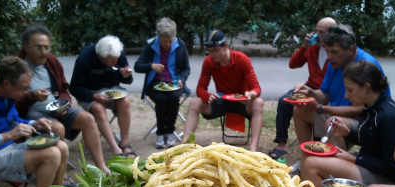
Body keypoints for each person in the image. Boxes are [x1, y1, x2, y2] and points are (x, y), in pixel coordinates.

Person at [0, 57, 73, 187]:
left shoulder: (5, 94)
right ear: (6, 83)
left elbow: (13, 120)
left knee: (61, 146)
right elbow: (9, 131)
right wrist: (9, 135)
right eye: (23, 88)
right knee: (51, 154)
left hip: (7, 148)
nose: (27, 92)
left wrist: (33, 122)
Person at [301, 60, 395, 187]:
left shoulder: (388, 116)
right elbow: (374, 140)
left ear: (366, 87)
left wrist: (354, 159)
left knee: (311, 164)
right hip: (371, 165)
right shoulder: (372, 106)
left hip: (390, 181)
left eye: (350, 90)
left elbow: (394, 167)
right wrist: (347, 133)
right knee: (310, 158)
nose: (346, 95)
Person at [16, 24, 110, 174]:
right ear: (26, 46)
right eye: (39, 47)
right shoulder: (17, 66)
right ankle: (60, 173)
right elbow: (12, 101)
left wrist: (64, 103)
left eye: (47, 47)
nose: (44, 52)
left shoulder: (51, 61)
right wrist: (33, 96)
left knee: (88, 119)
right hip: (31, 114)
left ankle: (101, 166)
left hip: (55, 107)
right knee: (58, 128)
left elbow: (63, 89)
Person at [293, 24, 389, 147]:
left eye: (334, 52)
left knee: (333, 123)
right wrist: (310, 92)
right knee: (300, 110)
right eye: (327, 51)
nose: (329, 56)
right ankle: (308, 153)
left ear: (351, 49)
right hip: (339, 113)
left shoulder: (365, 65)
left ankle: (332, 162)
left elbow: (361, 110)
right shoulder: (334, 62)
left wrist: (322, 109)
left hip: (367, 120)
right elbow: (325, 95)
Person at [181, 30, 264, 152]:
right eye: (209, 51)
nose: (212, 54)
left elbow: (257, 88)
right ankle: (184, 145)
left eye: (215, 50)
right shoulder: (209, 62)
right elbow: (200, 89)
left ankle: (253, 149)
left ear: (225, 46)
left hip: (242, 101)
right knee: (195, 102)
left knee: (258, 102)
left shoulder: (242, 59)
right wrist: (207, 96)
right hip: (222, 100)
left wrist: (251, 94)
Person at [268, 17, 337, 160]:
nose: (317, 35)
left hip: (326, 92)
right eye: (316, 31)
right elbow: (293, 64)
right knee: (284, 101)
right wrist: (304, 46)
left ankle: (316, 146)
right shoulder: (313, 48)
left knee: (311, 108)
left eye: (322, 32)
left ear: (333, 33)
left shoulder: (336, 51)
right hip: (310, 86)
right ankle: (281, 145)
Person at [70, 35, 135, 157]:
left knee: (125, 102)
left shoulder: (118, 54)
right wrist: (93, 96)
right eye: (111, 61)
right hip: (89, 92)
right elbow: (74, 88)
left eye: (117, 59)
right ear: (101, 57)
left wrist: (125, 75)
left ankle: (125, 143)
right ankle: (115, 149)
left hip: (111, 90)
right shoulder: (85, 58)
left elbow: (129, 80)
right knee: (98, 109)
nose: (115, 62)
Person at [134, 17, 190, 149]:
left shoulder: (180, 45)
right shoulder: (151, 46)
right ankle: (161, 132)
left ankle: (169, 131)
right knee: (161, 98)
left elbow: (186, 69)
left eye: (170, 41)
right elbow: (137, 66)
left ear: (174, 36)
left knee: (174, 97)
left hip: (175, 82)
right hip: (155, 83)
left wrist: (182, 79)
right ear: (158, 37)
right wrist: (151, 66)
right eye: (164, 41)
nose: (168, 44)